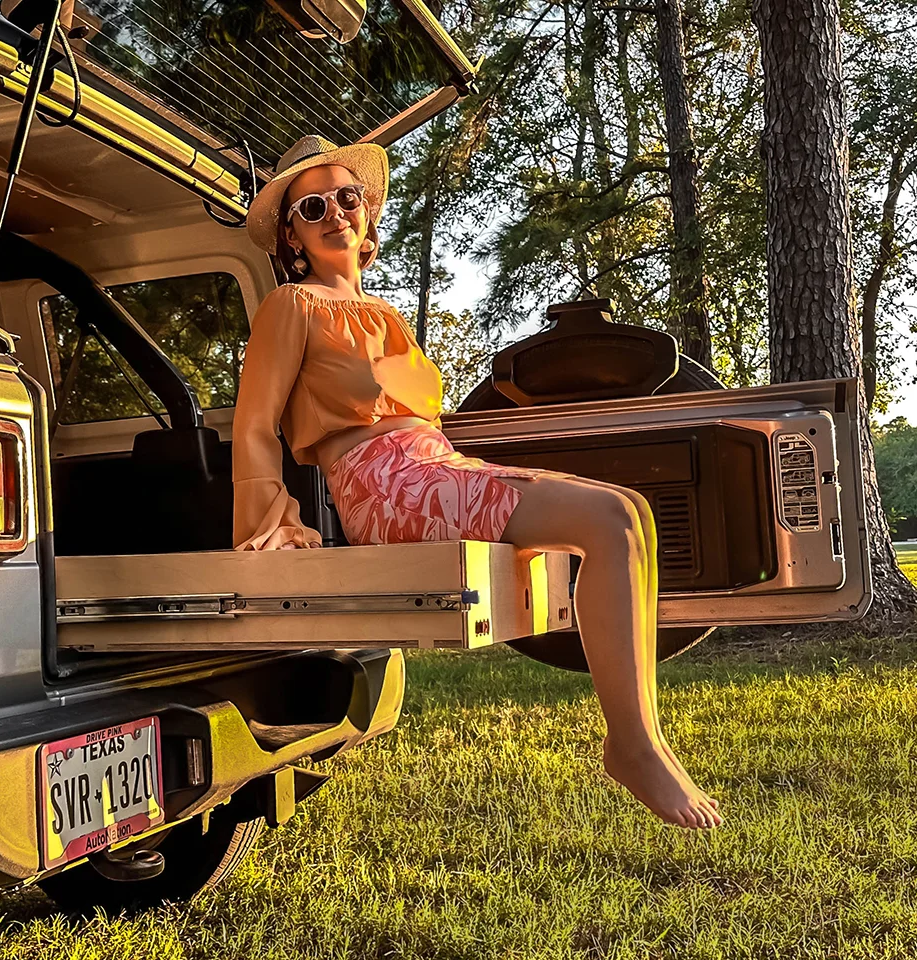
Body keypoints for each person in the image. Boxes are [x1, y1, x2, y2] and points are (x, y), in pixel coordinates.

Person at [231, 135, 723, 830]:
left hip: (432, 466)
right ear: (293, 234)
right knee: (609, 519)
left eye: (348, 197)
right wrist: (268, 521)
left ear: (367, 214)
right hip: (385, 486)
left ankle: (642, 736)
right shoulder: (292, 308)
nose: (335, 212)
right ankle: (633, 746)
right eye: (313, 206)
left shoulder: (387, 315)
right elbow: (254, 424)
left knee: (629, 510)